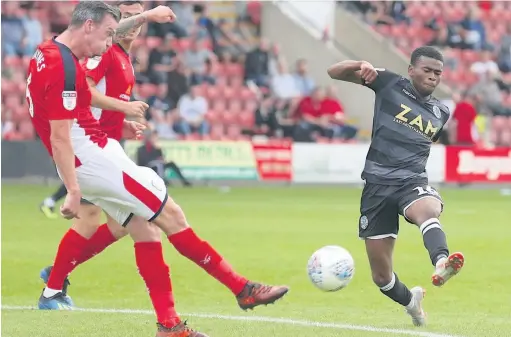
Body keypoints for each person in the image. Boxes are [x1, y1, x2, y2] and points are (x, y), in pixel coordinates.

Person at [27, 2, 288, 336]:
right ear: (89, 26)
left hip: (98, 152)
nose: (111, 40)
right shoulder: (65, 64)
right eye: (109, 33)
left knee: (143, 227)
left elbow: (80, 94)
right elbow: (61, 136)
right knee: (171, 216)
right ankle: (242, 289)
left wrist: (142, 20)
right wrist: (74, 189)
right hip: (92, 157)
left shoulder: (50, 51)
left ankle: (168, 325)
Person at [327, 46, 465, 327]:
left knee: (427, 209)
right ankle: (411, 302)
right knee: (381, 277)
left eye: (438, 73)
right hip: (377, 187)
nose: (432, 77)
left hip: (411, 181)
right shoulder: (388, 82)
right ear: (411, 70)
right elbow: (334, 72)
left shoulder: (441, 111)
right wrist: (360, 62)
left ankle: (441, 262)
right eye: (427, 70)